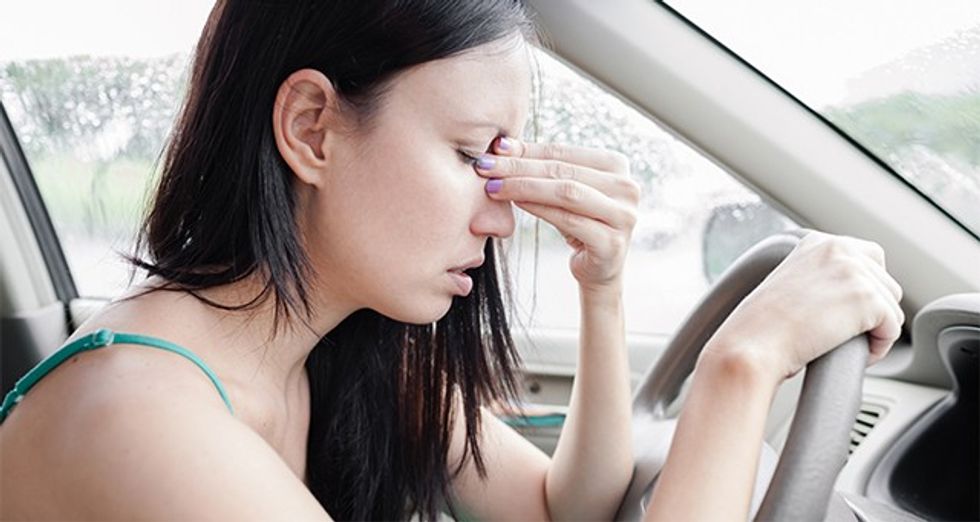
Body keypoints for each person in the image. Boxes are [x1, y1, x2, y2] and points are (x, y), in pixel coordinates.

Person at [0, 0, 904, 520]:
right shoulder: (139, 418)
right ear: (311, 128)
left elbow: (561, 510)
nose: (503, 215)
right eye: (476, 154)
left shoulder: (340, 346)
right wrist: (738, 371)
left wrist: (603, 290)